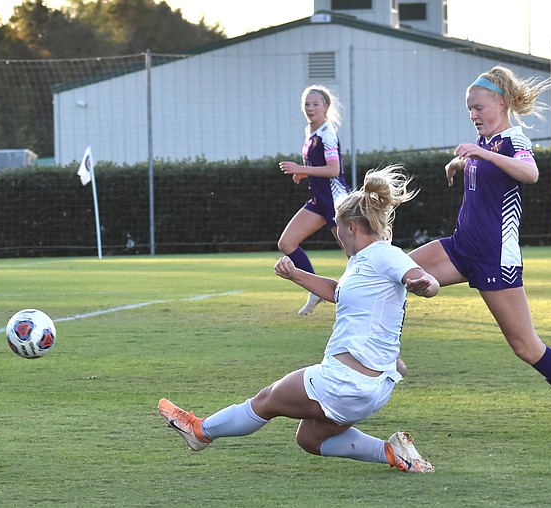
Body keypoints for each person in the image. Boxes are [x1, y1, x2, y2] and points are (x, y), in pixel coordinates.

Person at [159, 165, 438, 473]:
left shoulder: (384, 254)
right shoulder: (362, 262)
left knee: (266, 400)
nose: (335, 234)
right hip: (370, 387)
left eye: (336, 227)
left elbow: (421, 277)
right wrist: (295, 275)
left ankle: (200, 431)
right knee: (310, 438)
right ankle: (392, 452)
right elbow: (337, 292)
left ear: (351, 228)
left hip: (345, 382)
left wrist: (425, 284)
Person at [408, 66, 551, 443]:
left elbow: (529, 173)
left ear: (500, 104)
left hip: (495, 257)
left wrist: (480, 156)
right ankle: (387, 360)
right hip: (461, 246)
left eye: (479, 107)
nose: (474, 115)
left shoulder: (513, 141)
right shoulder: (484, 144)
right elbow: (481, 164)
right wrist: (461, 162)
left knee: (525, 346)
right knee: (397, 271)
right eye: (469, 109)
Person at [278, 85, 351, 315]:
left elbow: (333, 170)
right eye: (307, 104)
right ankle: (316, 290)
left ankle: (376, 297)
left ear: (326, 107)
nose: (310, 108)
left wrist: (301, 168)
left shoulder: (328, 133)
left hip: (336, 203)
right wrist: (304, 172)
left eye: (315, 104)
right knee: (286, 244)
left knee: (356, 255)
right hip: (319, 201)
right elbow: (318, 166)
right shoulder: (310, 131)